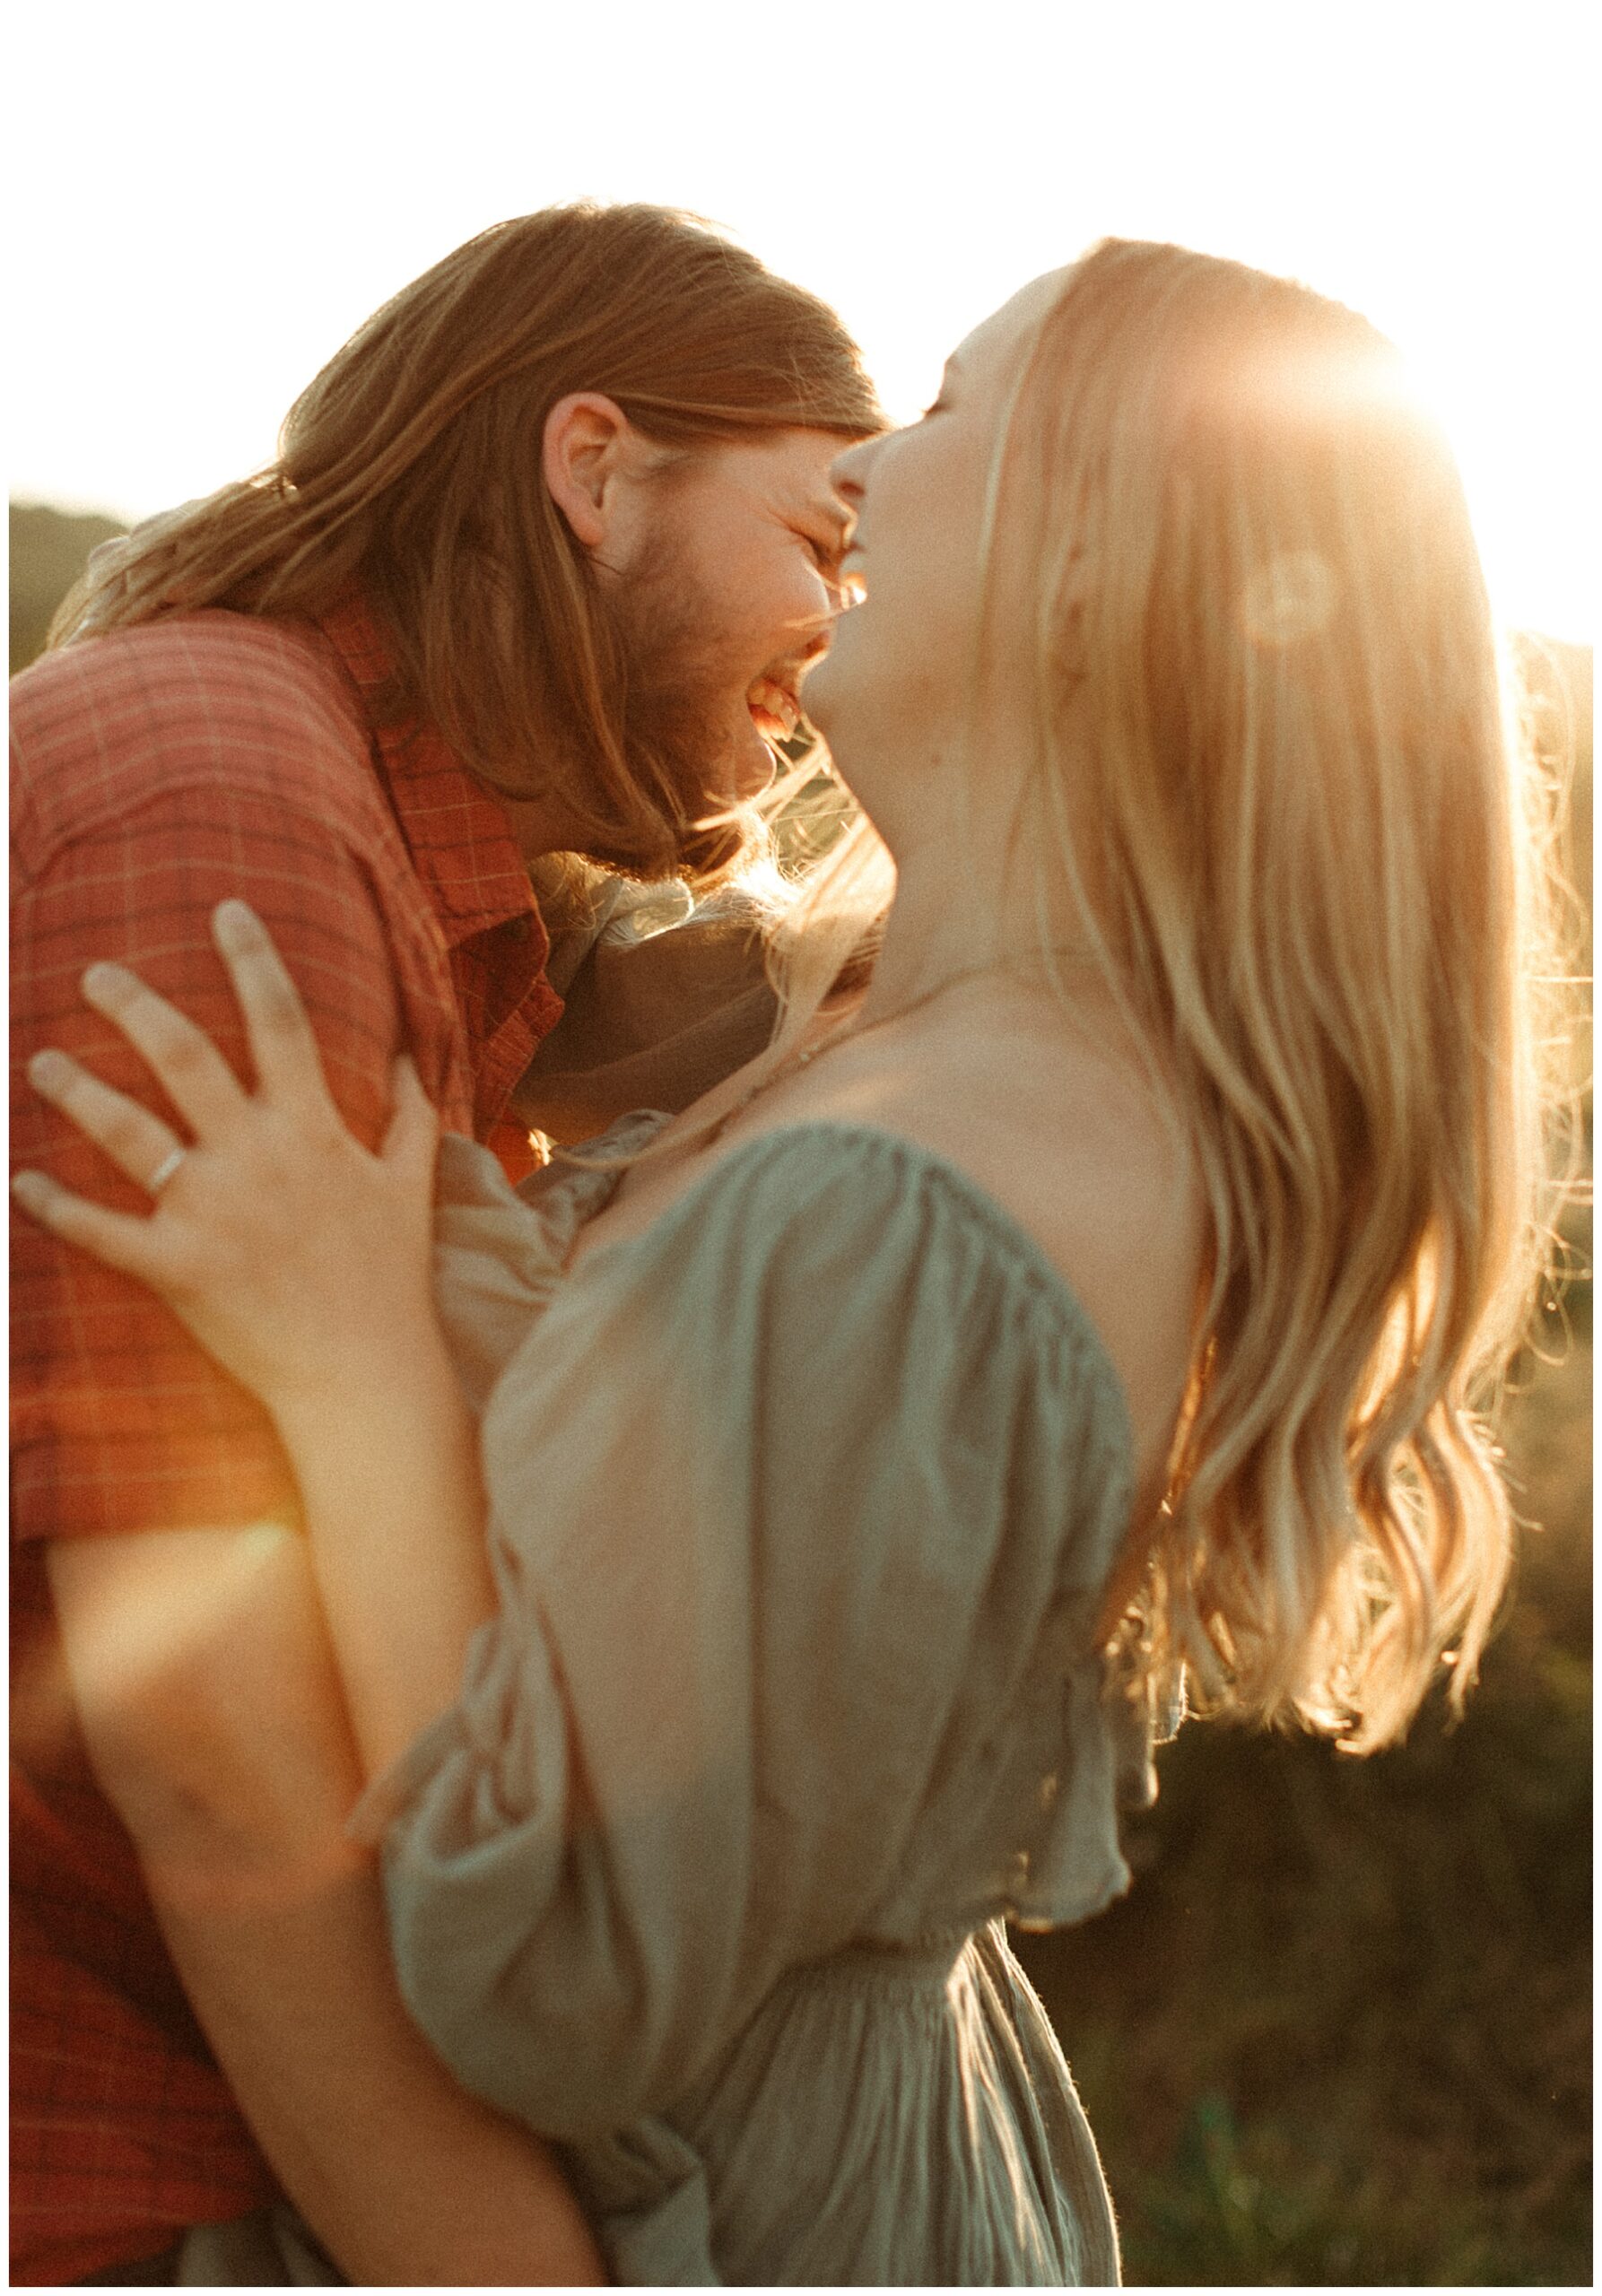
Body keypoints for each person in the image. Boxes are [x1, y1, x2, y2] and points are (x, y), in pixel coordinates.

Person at [13, 239, 1564, 2284]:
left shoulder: (926, 1205)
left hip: (732, 2218)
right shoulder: (858, 1031)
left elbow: (559, 1961)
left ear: (1082, 558)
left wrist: (351, 1360)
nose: (873, 492)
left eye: (941, 409)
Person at [8, 200, 884, 2286]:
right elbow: (207, 1732)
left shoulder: (404, 841)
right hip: (123, 2162)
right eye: (821, 542)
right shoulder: (223, 801)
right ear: (594, 468)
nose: (838, 631)